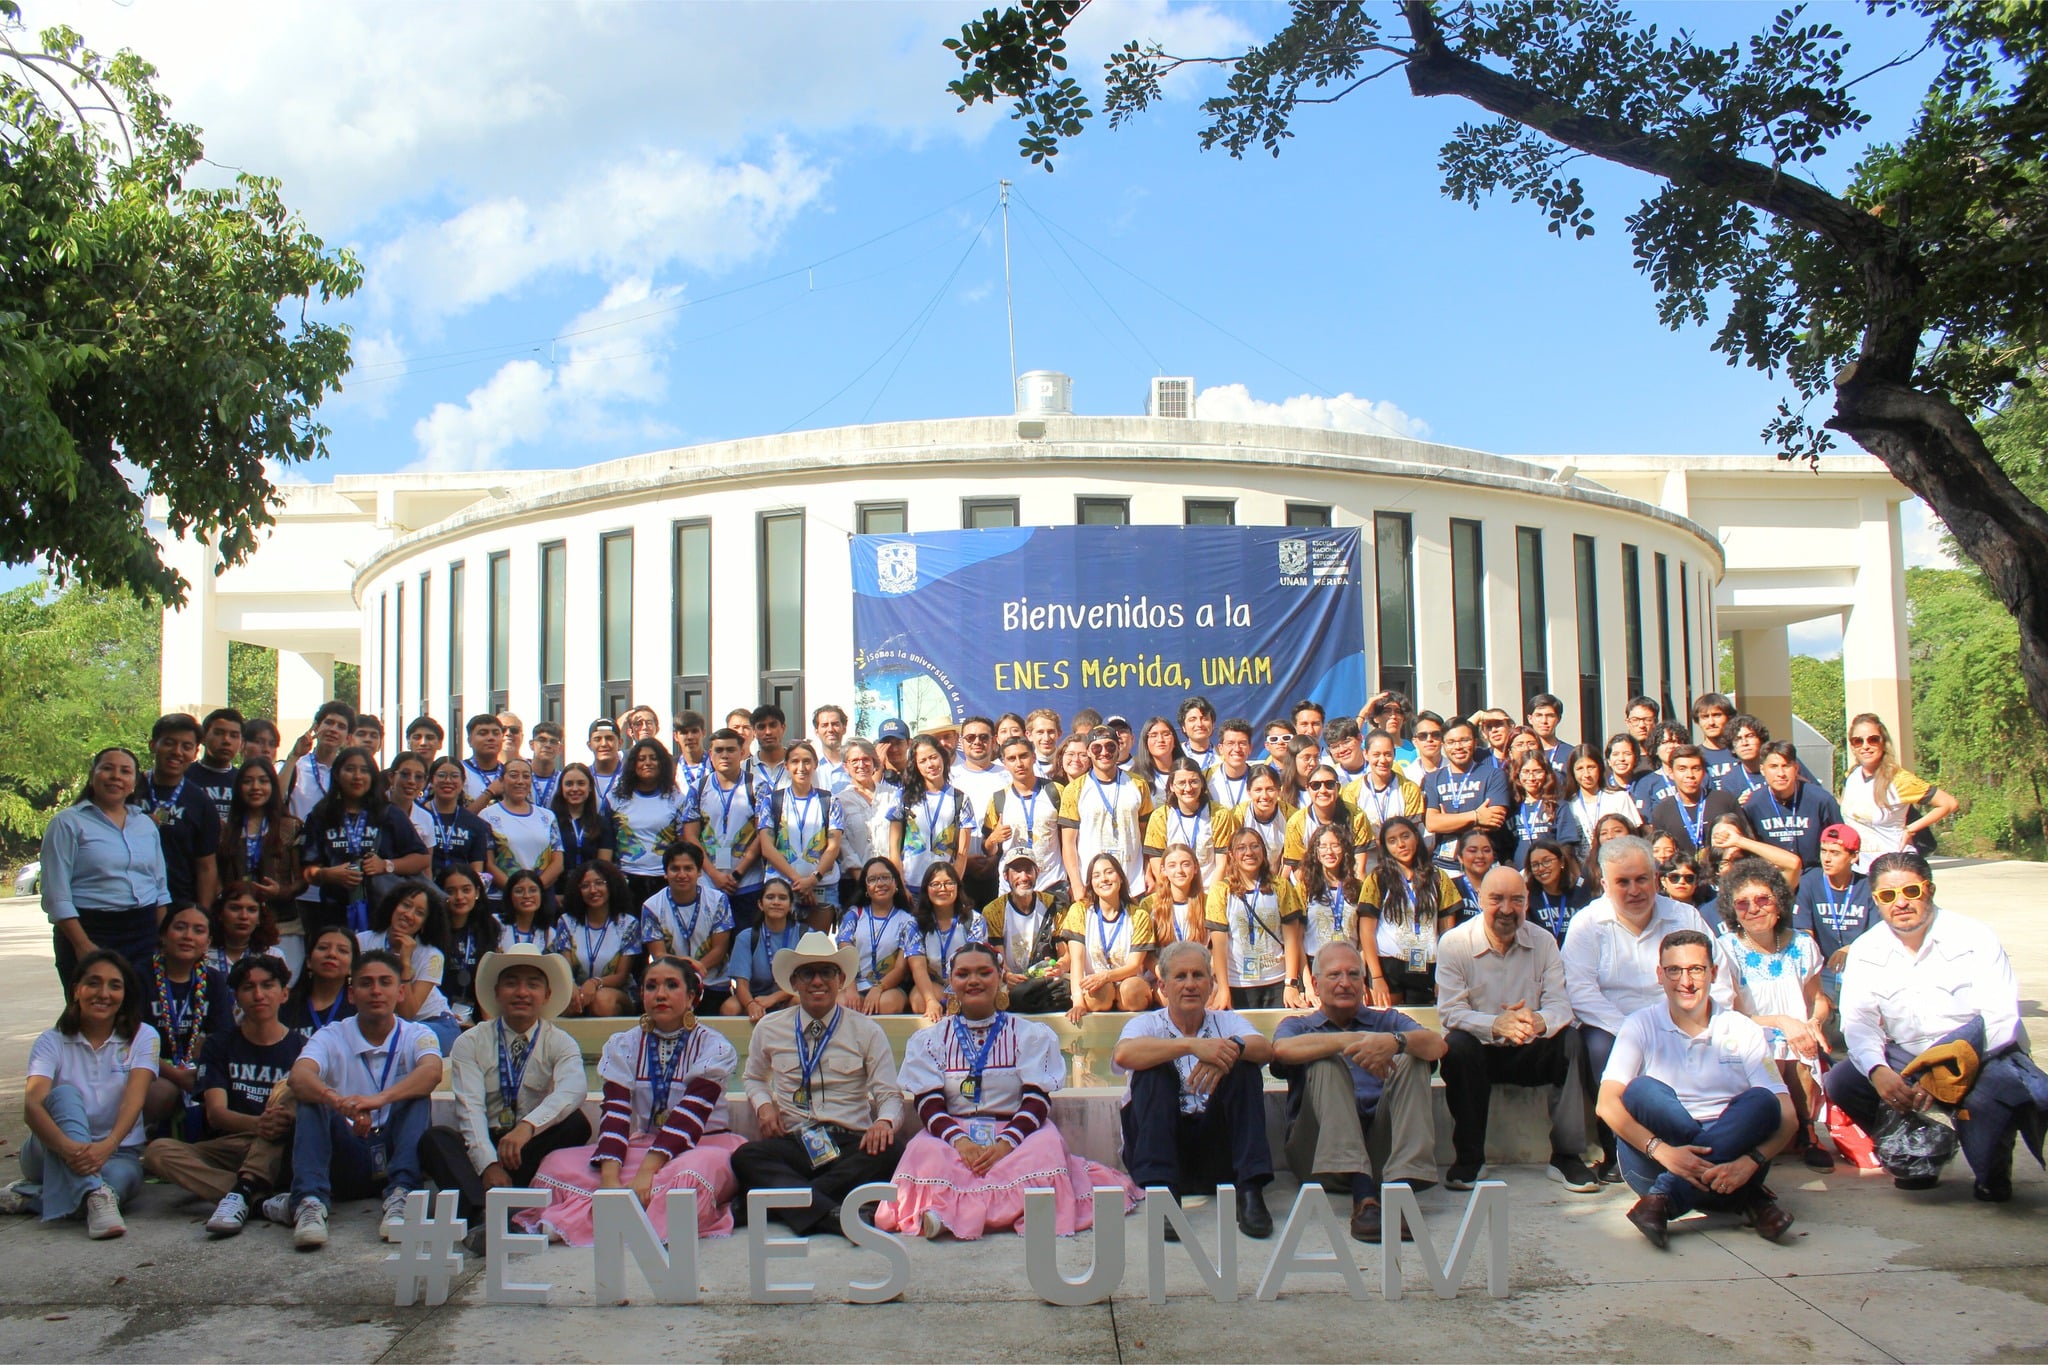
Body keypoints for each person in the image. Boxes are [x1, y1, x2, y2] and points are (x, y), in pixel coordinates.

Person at [1825, 850, 2048, 1201]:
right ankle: (1923, 1151)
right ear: (1875, 901)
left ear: (1929, 889)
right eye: (1888, 895)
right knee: (1842, 1081)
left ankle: (1992, 1163)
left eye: (1910, 892)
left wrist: (1942, 1072)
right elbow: (1859, 1022)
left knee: (1993, 1180)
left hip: (1977, 1055)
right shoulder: (1867, 950)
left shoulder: (1974, 937)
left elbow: (2001, 1018)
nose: (1900, 903)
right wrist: (1878, 1070)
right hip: (1908, 1056)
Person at [879, 943, 1137, 1239]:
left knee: (1046, 1147)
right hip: (954, 1134)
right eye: (963, 974)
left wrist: (1006, 1143)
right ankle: (988, 1212)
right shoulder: (930, 1040)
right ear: (951, 982)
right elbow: (929, 1103)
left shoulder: (1028, 1034)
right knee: (923, 1150)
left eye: (984, 972)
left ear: (1001, 976)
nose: (973, 981)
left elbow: (1037, 1099)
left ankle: (955, 1214)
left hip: (1017, 1133)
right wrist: (960, 1141)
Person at [491, 950, 732, 1250]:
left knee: (691, 1174)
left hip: (704, 1144)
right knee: (556, 1163)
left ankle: (615, 1223)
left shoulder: (714, 1046)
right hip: (643, 1142)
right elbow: (616, 1113)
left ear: (692, 995)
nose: (660, 994)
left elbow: (691, 1115)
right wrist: (609, 1180)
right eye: (651, 986)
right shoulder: (624, 1044)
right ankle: (592, 1218)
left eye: (672, 985)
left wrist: (646, 1172)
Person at [1598, 929, 1797, 1247]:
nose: (1685, 982)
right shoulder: (1639, 1024)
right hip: (1656, 1161)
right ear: (1660, 975)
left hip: (1734, 1167)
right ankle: (1753, 1200)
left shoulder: (1741, 1028)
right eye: (1674, 970)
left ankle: (1665, 1199)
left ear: (1713, 973)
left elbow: (1788, 1116)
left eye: (1696, 970)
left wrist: (1750, 1162)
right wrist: (1664, 1152)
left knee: (1763, 1101)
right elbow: (1606, 1104)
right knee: (1640, 1091)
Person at [1561, 836, 1725, 1180]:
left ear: (1655, 878)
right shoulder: (1587, 924)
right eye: (1622, 882)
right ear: (1605, 884)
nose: (1634, 890)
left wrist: (1700, 1022)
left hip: (1683, 1020)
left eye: (1641, 879)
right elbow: (1580, 991)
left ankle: (1708, 1142)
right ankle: (1618, 1148)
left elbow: (1719, 975)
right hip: (1612, 1026)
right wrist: (1634, 1035)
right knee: (1597, 1046)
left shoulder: (1685, 916)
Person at [734, 930, 910, 1236]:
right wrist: (764, 1108)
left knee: (894, 1150)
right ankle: (832, 1213)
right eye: (808, 974)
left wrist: (883, 1123)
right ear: (795, 982)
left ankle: (787, 1204)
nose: (817, 981)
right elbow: (753, 1078)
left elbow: (889, 1095)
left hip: (850, 1142)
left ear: (840, 979)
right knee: (746, 1157)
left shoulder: (866, 1030)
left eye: (826, 972)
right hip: (796, 1142)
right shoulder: (769, 1027)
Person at [1272, 941, 1448, 1241]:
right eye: (1334, 975)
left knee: (1414, 1056)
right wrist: (1349, 1041)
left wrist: (1395, 1042)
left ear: (1363, 982)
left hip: (1382, 1152)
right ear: (1315, 983)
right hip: (1317, 1154)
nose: (1345, 983)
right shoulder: (1299, 1026)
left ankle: (1400, 1193)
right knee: (1325, 1061)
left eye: (1354, 975)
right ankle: (1364, 1199)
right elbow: (1280, 1051)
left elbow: (1437, 1045)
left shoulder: (1386, 1021)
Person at [1436, 867, 1597, 1191]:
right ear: (1480, 899)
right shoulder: (1454, 943)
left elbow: (1560, 1006)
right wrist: (1496, 1024)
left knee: (1571, 1040)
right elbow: (1451, 1012)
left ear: (1526, 902)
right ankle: (1469, 1158)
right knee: (1457, 1045)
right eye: (1497, 899)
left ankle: (1566, 1157)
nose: (1507, 909)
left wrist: (1537, 1020)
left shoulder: (1544, 942)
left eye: (1517, 900)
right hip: (1482, 1052)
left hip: (1530, 1048)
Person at [283, 949, 445, 1250]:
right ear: (351, 994)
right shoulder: (330, 1035)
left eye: (385, 982)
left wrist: (378, 1099)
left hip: (397, 1149)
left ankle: (402, 1197)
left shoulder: (417, 1033)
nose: (376, 991)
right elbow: (299, 1076)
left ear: (401, 992)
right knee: (310, 1098)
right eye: (365, 983)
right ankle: (309, 1202)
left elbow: (432, 1072)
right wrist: (336, 1101)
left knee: (416, 1095)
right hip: (351, 1147)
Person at [1112, 940, 1275, 1238]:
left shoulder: (1225, 1021)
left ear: (1211, 984)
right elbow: (1124, 1055)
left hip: (1216, 1156)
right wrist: (1191, 1046)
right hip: (1160, 1152)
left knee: (1243, 1066)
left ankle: (1250, 1192)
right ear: (1163, 986)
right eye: (1180, 976)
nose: (1190, 985)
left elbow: (1265, 1049)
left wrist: (1229, 1050)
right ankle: (1164, 1198)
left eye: (1198, 976)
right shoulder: (1146, 1024)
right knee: (1153, 1071)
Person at [141, 954, 304, 1236]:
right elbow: (216, 1114)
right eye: (247, 987)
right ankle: (257, 1200)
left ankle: (242, 1192)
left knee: (289, 1092)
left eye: (267, 985)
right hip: (233, 1145)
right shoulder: (219, 1044)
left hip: (281, 1147)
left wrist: (268, 1127)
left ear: (284, 993)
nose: (258, 995)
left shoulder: (304, 1047)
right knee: (158, 1152)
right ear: (236, 998)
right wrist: (257, 1125)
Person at [0, 951, 158, 1237]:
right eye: (93, 983)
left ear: (125, 994)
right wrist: (68, 1148)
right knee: (64, 1095)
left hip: (115, 1152)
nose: (103, 993)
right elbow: (33, 1107)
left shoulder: (144, 1036)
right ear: (76, 991)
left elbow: (134, 1100)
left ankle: (26, 1196)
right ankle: (95, 1195)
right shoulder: (51, 1041)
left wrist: (107, 1146)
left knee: (123, 1181)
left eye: (114, 985)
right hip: (49, 1150)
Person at [1712, 859, 1833, 1171]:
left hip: (1797, 1037)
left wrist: (1813, 1023)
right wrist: (1781, 1022)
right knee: (1773, 1047)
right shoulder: (1726, 949)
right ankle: (1766, 1135)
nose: (1754, 909)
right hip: (1748, 1032)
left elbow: (1819, 999)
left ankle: (1806, 1132)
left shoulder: (1803, 943)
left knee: (1799, 1045)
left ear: (1778, 902)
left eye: (1763, 899)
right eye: (1742, 903)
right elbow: (1731, 1013)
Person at [42, 747, 170, 990]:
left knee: (138, 1014)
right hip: (90, 929)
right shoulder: (67, 823)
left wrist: (161, 938)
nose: (116, 777)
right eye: (107, 769)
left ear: (134, 782)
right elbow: (56, 894)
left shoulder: (145, 824)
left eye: (125, 771)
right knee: (92, 1012)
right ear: (92, 777)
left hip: (142, 932)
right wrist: (82, 945)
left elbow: (160, 888)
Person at [300, 745, 429, 938]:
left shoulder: (389, 813)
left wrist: (386, 865)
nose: (357, 776)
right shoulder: (321, 815)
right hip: (334, 913)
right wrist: (327, 874)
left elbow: (422, 858)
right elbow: (308, 870)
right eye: (350, 769)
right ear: (336, 774)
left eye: (364, 770)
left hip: (385, 913)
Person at [139, 904, 234, 1131]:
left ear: (208, 942)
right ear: (163, 935)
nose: (188, 936)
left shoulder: (214, 980)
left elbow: (222, 1038)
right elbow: (130, 1041)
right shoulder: (139, 976)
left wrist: (200, 1070)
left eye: (198, 930)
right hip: (148, 1067)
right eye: (180, 927)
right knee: (164, 1091)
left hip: (196, 1068)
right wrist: (175, 1074)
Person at [1356, 815, 1460, 1007]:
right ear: (1385, 846)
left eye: (1405, 836)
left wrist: (1444, 976)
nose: (1401, 844)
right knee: (1386, 1027)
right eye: (1392, 841)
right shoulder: (1377, 878)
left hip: (1428, 965)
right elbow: (1366, 931)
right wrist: (1377, 977)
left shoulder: (1438, 877)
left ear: (1416, 837)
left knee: (1423, 1029)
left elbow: (1448, 933)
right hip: (1388, 965)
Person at [1838, 713, 1956, 872]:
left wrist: (1911, 829)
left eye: (1873, 739)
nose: (1865, 746)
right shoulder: (1852, 776)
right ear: (1852, 746)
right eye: (1858, 741)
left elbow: (1948, 803)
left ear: (1883, 742)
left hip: (1895, 868)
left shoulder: (1898, 779)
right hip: (1860, 870)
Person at [1205, 827, 1307, 1010]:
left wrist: (1290, 984)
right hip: (1239, 984)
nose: (1249, 853)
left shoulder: (1281, 887)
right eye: (1241, 848)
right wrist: (1223, 987)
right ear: (1231, 854)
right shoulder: (1220, 891)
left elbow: (1292, 939)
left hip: (1276, 981)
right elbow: (1219, 945)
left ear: (1263, 851)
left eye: (1255, 846)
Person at [357, 883, 464, 1052]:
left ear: (423, 924)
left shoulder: (432, 955)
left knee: (398, 1041)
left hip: (432, 1024)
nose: (409, 915)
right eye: (406, 905)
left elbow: (408, 1012)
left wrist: (404, 962)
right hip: (387, 1025)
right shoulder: (362, 942)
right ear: (393, 906)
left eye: (419, 913)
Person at [1793, 824, 1876, 1030]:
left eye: (1835, 853)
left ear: (1854, 856)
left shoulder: (1867, 886)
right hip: (1823, 969)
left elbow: (1878, 934)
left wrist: (1851, 949)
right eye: (1823, 851)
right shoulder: (1809, 882)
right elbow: (1804, 933)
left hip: (1859, 966)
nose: (1827, 859)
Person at [638, 840, 734, 1014]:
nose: (682, 874)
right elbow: (658, 954)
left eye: (688, 868)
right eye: (675, 869)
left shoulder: (718, 900)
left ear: (699, 872)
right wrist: (687, 967)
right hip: (671, 986)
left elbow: (720, 950)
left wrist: (696, 971)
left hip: (712, 983)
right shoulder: (651, 907)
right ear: (665, 873)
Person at [1061, 853, 1159, 1023]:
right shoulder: (1080, 911)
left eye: (1109, 872)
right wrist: (1078, 1001)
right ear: (1091, 883)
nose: (1104, 879)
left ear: (1120, 878)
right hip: (1095, 985)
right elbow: (1076, 961)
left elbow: (1134, 966)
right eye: (1096, 875)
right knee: (1101, 992)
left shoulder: (1139, 915)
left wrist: (1106, 976)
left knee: (1131, 991)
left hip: (1127, 981)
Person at [142, 713, 224, 913]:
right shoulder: (129, 789)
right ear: (153, 745)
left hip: (179, 906)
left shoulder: (201, 803)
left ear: (195, 752)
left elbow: (206, 867)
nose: (177, 752)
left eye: (186, 747)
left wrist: (202, 915)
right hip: (131, 903)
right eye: (169, 743)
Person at [1058, 725, 1153, 893]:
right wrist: (1076, 884)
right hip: (1092, 885)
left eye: (1110, 746)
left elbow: (1146, 835)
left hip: (1133, 883)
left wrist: (1148, 871)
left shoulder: (1138, 784)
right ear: (1088, 752)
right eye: (1097, 748)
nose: (1104, 752)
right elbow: (1068, 843)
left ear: (1118, 748)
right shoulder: (1074, 790)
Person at [759, 740, 844, 921]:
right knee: (783, 946)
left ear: (815, 764)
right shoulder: (772, 801)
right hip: (782, 888)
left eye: (807, 761)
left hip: (823, 886)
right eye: (795, 762)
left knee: (820, 946)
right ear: (786, 766)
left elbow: (833, 847)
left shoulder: (830, 801)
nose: (801, 767)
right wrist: (799, 881)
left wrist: (813, 880)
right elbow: (767, 848)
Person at [613, 737, 701, 910]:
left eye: (653, 758)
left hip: (664, 879)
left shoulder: (677, 799)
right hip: (627, 880)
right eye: (641, 758)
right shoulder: (616, 799)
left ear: (662, 763)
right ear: (633, 764)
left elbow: (682, 841)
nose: (648, 763)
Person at [981, 736, 1067, 910]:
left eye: (1023, 756)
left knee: (1054, 937)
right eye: (1012, 759)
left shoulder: (1055, 791)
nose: (1019, 763)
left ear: (1033, 757)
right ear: (1004, 763)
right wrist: (993, 839)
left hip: (1052, 883)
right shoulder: (999, 799)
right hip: (1013, 887)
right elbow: (988, 849)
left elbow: (1069, 840)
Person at [836, 857, 925, 1015]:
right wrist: (850, 989)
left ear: (896, 883)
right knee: (843, 1004)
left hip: (888, 988)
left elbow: (900, 968)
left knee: (887, 1004)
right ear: (866, 887)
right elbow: (845, 953)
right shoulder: (854, 915)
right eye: (872, 879)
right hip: (852, 984)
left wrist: (878, 988)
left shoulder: (908, 921)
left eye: (885, 877)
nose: (880, 884)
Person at [552, 860, 640, 1018]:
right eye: (585, 886)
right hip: (577, 990)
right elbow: (565, 968)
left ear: (611, 886)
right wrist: (573, 988)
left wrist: (594, 983)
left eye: (599, 883)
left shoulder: (628, 924)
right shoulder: (566, 922)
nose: (592, 890)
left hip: (616, 992)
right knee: (563, 1003)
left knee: (602, 1002)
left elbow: (621, 976)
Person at [985, 851, 1070, 1013]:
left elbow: (1065, 954)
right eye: (1017, 871)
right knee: (1011, 996)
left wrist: (1060, 967)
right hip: (1012, 982)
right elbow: (998, 958)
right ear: (1005, 875)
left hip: (1046, 979)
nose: (1023, 877)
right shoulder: (994, 911)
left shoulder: (1053, 905)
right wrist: (1007, 975)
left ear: (1037, 873)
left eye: (1028, 871)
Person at [891, 734, 976, 895]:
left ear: (942, 757)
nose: (930, 764)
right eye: (923, 761)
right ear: (915, 765)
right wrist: (901, 887)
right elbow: (894, 849)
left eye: (933, 757)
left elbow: (962, 853)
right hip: (910, 886)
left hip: (943, 889)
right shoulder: (902, 797)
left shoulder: (960, 799)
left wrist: (952, 886)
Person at [1740, 740, 1843, 870]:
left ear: (1796, 768)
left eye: (1786, 766)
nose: (1781, 773)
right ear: (1762, 769)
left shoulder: (1821, 800)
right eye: (1773, 766)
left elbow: (1840, 842)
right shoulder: (1753, 805)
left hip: (1813, 874)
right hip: (1773, 876)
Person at [1424, 719, 1511, 868]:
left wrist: (1447, 821)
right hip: (1444, 865)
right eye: (1451, 742)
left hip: (1485, 863)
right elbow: (1432, 823)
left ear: (1476, 742)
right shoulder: (1432, 779)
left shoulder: (1494, 775)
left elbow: (1494, 821)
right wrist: (1476, 816)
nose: (1458, 747)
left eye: (1464, 740)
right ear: (1443, 746)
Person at [478, 757, 564, 904]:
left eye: (526, 776)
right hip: (502, 899)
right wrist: (516, 892)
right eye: (513, 775)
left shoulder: (547, 816)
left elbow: (558, 862)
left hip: (541, 899)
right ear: (502, 780)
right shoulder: (487, 816)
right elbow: (489, 864)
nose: (520, 781)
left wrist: (533, 891)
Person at [912, 864, 988, 1020]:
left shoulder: (974, 920)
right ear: (926, 888)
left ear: (957, 886)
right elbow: (918, 966)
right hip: (935, 984)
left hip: (967, 981)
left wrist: (956, 993)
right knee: (920, 1001)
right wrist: (931, 1000)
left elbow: (975, 961)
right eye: (935, 884)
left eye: (948, 883)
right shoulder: (915, 924)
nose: (943, 888)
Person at [1145, 758, 1232, 890]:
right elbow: (1157, 861)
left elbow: (1222, 863)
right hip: (1174, 893)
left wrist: (1210, 899)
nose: (1188, 788)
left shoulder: (1219, 814)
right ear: (1171, 786)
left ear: (1202, 783)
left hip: (1209, 892)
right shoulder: (1160, 817)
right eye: (1181, 783)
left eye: (1193, 781)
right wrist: (1173, 893)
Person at [725, 876, 805, 1018]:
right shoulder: (746, 937)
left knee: (800, 1000)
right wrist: (751, 1004)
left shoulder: (804, 935)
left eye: (782, 898)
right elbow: (741, 985)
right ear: (760, 904)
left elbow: (806, 980)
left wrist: (774, 998)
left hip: (791, 995)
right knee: (730, 1007)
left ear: (791, 905)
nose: (776, 902)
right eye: (770, 897)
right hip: (756, 997)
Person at [1648, 745, 1739, 860]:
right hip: (1683, 875)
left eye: (1695, 768)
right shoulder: (1662, 811)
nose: (1690, 775)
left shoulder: (1724, 801)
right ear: (1671, 773)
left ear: (1704, 772)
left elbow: (1745, 840)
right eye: (1682, 769)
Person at [439, 864, 504, 1020]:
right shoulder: (432, 931)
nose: (459, 897)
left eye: (466, 890)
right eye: (450, 891)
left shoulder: (489, 928)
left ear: (477, 892)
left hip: (477, 1015)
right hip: (438, 1014)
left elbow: (488, 981)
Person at [420, 757, 494, 891]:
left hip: (460, 893)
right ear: (431, 780)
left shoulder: (475, 823)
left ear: (462, 782)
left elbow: (476, 870)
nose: (448, 781)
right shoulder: (418, 816)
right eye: (442, 775)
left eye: (454, 776)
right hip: (424, 890)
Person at [1342, 729, 1424, 839]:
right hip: (1366, 854)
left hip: (1399, 851)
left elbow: (1411, 831)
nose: (1383, 760)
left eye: (1387, 754)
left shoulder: (1410, 789)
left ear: (1394, 754)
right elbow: (1353, 831)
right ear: (1366, 754)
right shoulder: (1351, 791)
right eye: (1376, 755)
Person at [282, 926, 358, 1041]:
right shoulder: (285, 1006)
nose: (331, 954)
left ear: (352, 967)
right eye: (323, 948)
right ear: (308, 961)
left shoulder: (360, 1008)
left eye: (342, 950)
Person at [1509, 753, 1583, 870]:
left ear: (1546, 774)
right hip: (1519, 876)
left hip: (1549, 872)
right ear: (1517, 774)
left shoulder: (1558, 805)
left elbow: (1567, 845)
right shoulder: (1513, 807)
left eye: (1537, 771)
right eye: (1526, 772)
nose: (1531, 778)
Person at [550, 762, 615, 879]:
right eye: (569, 784)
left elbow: (604, 866)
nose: (575, 789)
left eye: (581, 783)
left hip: (591, 889)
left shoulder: (602, 824)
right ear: (561, 788)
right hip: (559, 893)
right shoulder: (551, 822)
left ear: (590, 787)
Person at [1523, 838, 1593, 943]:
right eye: (1535, 865)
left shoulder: (1579, 892)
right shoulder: (1529, 896)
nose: (1541, 868)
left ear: (1561, 862)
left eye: (1547, 861)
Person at [209, 882, 281, 979]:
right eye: (235, 908)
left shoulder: (272, 955)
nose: (243, 916)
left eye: (251, 910)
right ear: (220, 914)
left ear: (260, 918)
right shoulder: (202, 954)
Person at [192, 707, 244, 825]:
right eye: (219, 733)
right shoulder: (184, 777)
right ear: (203, 738)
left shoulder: (244, 780)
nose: (226, 740)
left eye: (234, 735)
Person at [1203, 719, 1261, 812]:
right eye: (1230, 743)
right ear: (1221, 748)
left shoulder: (1260, 778)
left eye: (1242, 743)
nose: (1237, 749)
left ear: (1250, 748)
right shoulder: (1205, 777)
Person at [1691, 693, 1742, 792]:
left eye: (1717, 715)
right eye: (1705, 717)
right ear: (1698, 721)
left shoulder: (1742, 751)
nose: (1711, 723)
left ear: (1729, 717)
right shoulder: (1694, 757)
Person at [1127, 715, 1185, 803]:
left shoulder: (1188, 771)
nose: (1160, 740)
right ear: (1145, 743)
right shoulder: (1135, 777)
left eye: (1166, 734)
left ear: (1174, 741)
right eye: (1153, 735)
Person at [492, 867, 551, 949]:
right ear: (509, 896)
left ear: (541, 895)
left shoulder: (548, 933)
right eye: (519, 891)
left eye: (533, 890)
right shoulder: (495, 923)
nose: (527, 896)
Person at [459, 713, 507, 807]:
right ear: (470, 741)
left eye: (496, 733)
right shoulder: (459, 771)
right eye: (483, 733)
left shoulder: (509, 773)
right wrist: (490, 793)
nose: (491, 738)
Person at [587, 717, 626, 807]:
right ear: (589, 745)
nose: (604, 744)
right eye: (597, 739)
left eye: (609, 738)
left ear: (620, 743)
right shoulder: (583, 777)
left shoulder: (630, 776)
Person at [528, 721, 565, 808]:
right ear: (531, 744)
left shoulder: (563, 781)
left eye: (553, 742)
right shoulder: (521, 778)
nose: (548, 745)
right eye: (542, 740)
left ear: (560, 748)